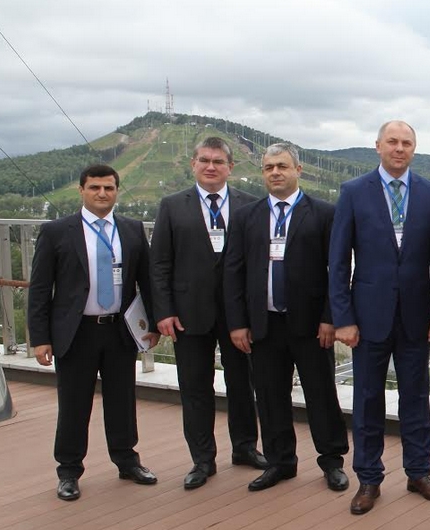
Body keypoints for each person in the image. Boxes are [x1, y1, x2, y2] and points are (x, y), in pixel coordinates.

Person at [329, 121, 430, 515]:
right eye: (393, 142)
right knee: (367, 399)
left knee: (416, 398)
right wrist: (343, 318)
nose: (399, 148)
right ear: (378, 146)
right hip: (367, 318)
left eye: (407, 143)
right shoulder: (353, 192)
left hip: (416, 316)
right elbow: (338, 262)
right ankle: (369, 479)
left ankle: (419, 473)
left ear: (414, 149)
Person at [28, 163, 160, 501]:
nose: (102, 193)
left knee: (122, 401)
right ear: (82, 190)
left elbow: (147, 282)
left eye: (109, 188)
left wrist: (153, 324)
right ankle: (69, 471)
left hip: (119, 330)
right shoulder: (57, 232)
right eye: (95, 188)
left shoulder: (132, 230)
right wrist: (40, 338)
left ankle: (127, 461)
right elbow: (40, 289)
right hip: (76, 332)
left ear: (116, 191)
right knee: (74, 404)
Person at [224, 143, 349, 493]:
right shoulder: (246, 217)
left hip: (311, 326)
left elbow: (337, 271)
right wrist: (238, 323)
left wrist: (330, 317)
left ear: (298, 170)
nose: (275, 172)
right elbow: (233, 273)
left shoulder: (324, 214)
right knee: (269, 396)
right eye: (269, 167)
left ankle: (332, 461)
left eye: (282, 166)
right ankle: (280, 462)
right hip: (263, 324)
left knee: (321, 395)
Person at [150, 137, 266, 490]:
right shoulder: (172, 206)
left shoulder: (250, 204)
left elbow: (257, 262)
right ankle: (202, 459)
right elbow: (160, 263)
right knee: (195, 387)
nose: (210, 167)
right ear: (193, 164)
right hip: (188, 314)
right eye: (204, 160)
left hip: (238, 315)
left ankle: (245, 448)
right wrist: (164, 311)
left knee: (243, 384)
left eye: (218, 161)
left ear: (231, 167)